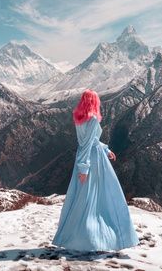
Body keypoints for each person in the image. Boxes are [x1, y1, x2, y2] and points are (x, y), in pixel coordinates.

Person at [52, 89, 140, 252]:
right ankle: (94, 239)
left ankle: (77, 237)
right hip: (92, 159)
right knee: (99, 196)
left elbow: (88, 141)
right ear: (94, 101)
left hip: (88, 155)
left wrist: (106, 150)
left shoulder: (79, 116)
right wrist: (84, 168)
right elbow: (88, 144)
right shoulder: (92, 118)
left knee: (83, 197)